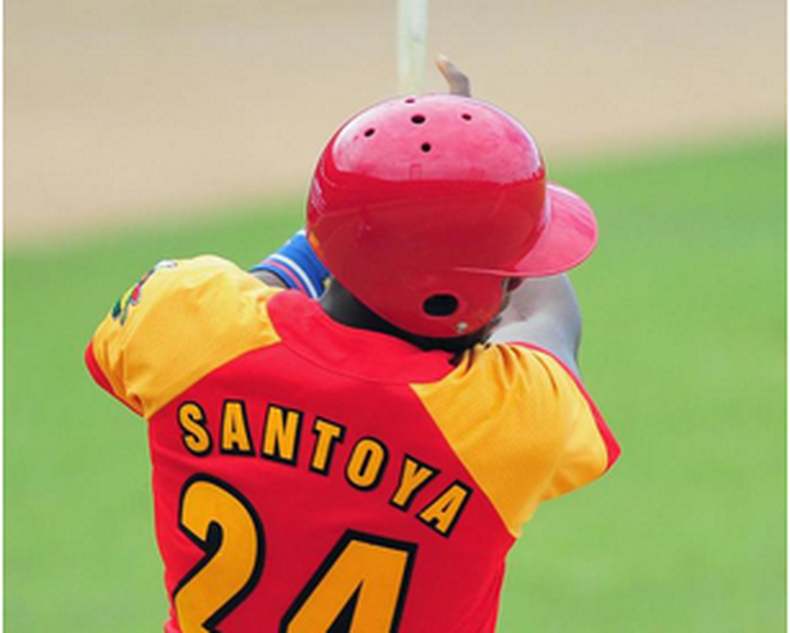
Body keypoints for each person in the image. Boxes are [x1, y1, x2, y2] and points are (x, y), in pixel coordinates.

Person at [85, 59, 620, 633]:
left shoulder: (183, 320)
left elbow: (262, 291)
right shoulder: (506, 424)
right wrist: (486, 171)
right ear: (449, 296)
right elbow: (550, 316)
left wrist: (387, 190)